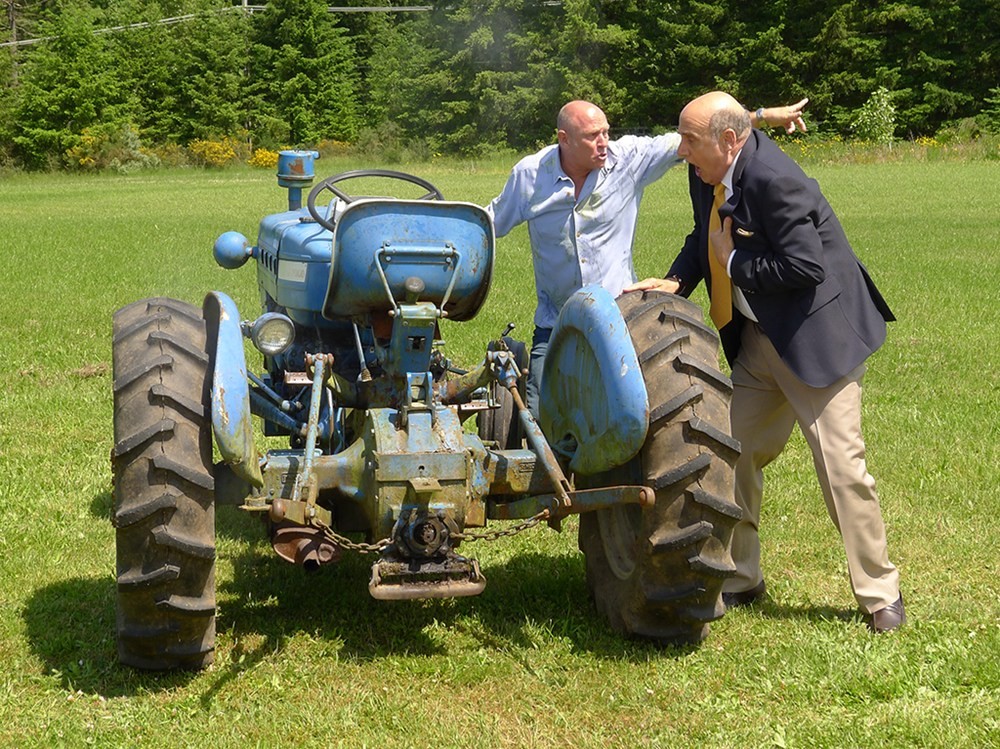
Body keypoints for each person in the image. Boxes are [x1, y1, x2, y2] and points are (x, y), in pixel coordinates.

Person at [625, 91, 904, 633]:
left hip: (817, 342)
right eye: (681, 138)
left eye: (690, 140)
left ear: (729, 141)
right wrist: (679, 278)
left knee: (842, 469)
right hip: (758, 341)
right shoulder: (706, 169)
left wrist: (733, 260)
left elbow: (805, 266)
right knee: (733, 454)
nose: (681, 151)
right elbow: (702, 233)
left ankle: (880, 593)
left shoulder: (778, 180)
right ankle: (742, 574)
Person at [486, 97, 809, 416]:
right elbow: (488, 224)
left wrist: (764, 116)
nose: (603, 143)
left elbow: (705, 133)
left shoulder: (627, 159)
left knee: (637, 414)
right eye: (592, 136)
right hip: (556, 323)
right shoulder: (530, 176)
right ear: (564, 139)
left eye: (606, 132)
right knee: (541, 417)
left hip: (618, 319)